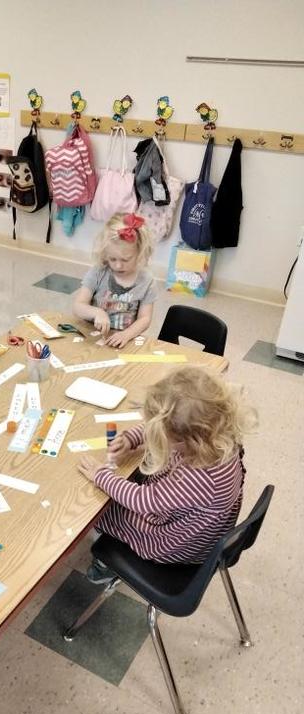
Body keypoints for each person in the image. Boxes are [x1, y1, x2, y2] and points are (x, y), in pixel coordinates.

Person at [77, 367, 257, 578]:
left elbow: (142, 501)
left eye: (162, 435)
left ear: (185, 440)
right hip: (194, 523)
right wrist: (131, 439)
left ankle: (106, 564)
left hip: (174, 546)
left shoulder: (199, 476)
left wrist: (101, 475)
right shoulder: (218, 433)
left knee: (100, 511)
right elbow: (160, 426)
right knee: (122, 487)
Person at [72, 212, 156, 348]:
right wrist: (97, 312)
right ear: (105, 254)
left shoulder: (147, 281)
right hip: (92, 339)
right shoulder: (98, 272)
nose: (118, 265)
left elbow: (145, 319)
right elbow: (77, 306)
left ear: (140, 252)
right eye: (112, 259)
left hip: (124, 341)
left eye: (125, 259)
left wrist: (127, 334)